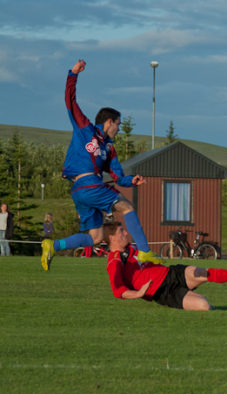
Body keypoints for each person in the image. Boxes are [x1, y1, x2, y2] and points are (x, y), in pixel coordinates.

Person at [41, 59, 161, 271]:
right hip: (87, 185)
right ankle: (144, 251)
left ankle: (53, 245)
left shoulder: (109, 149)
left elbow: (118, 177)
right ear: (109, 122)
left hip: (81, 190)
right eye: (118, 124)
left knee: (96, 238)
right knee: (127, 207)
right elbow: (70, 102)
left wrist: (131, 181)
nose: (119, 129)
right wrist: (73, 74)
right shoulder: (86, 128)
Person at [104, 221, 227, 311]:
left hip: (171, 272)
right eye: (121, 231)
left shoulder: (132, 247)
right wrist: (138, 294)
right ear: (112, 238)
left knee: (199, 272)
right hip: (162, 291)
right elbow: (117, 290)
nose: (126, 233)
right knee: (204, 305)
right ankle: (198, 300)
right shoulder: (115, 262)